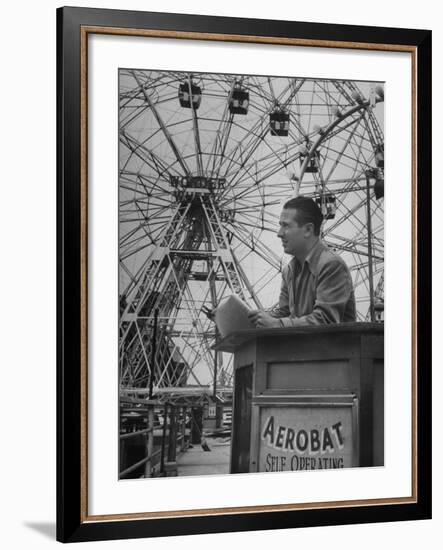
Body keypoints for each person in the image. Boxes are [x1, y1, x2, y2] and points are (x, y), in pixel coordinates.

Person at [247, 196, 356, 328]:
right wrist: (253, 318)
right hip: (301, 346)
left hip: (332, 347)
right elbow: (285, 313)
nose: (279, 233)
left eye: (285, 226)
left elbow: (325, 321)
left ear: (308, 230)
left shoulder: (331, 265)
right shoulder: (289, 270)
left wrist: (277, 324)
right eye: (280, 226)